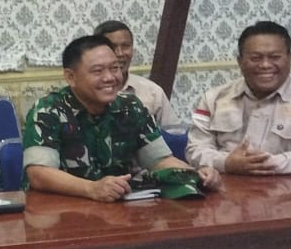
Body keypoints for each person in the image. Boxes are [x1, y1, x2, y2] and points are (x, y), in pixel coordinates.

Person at [23, 35, 221, 201]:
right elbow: (38, 174)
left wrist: (196, 174)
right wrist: (91, 188)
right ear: (71, 77)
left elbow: (160, 160)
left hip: (118, 208)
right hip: (61, 210)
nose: (110, 78)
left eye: (115, 68)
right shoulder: (48, 110)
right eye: (98, 71)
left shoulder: (130, 107)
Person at [186, 21, 291, 175]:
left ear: (289, 58)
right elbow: (195, 149)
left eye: (275, 57)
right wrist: (226, 163)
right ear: (240, 61)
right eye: (255, 58)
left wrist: (271, 163)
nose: (265, 65)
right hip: (226, 185)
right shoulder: (213, 99)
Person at [93, 21, 177, 127]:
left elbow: (174, 132)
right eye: (112, 47)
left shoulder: (152, 92)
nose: (120, 53)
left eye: (125, 46)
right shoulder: (87, 91)